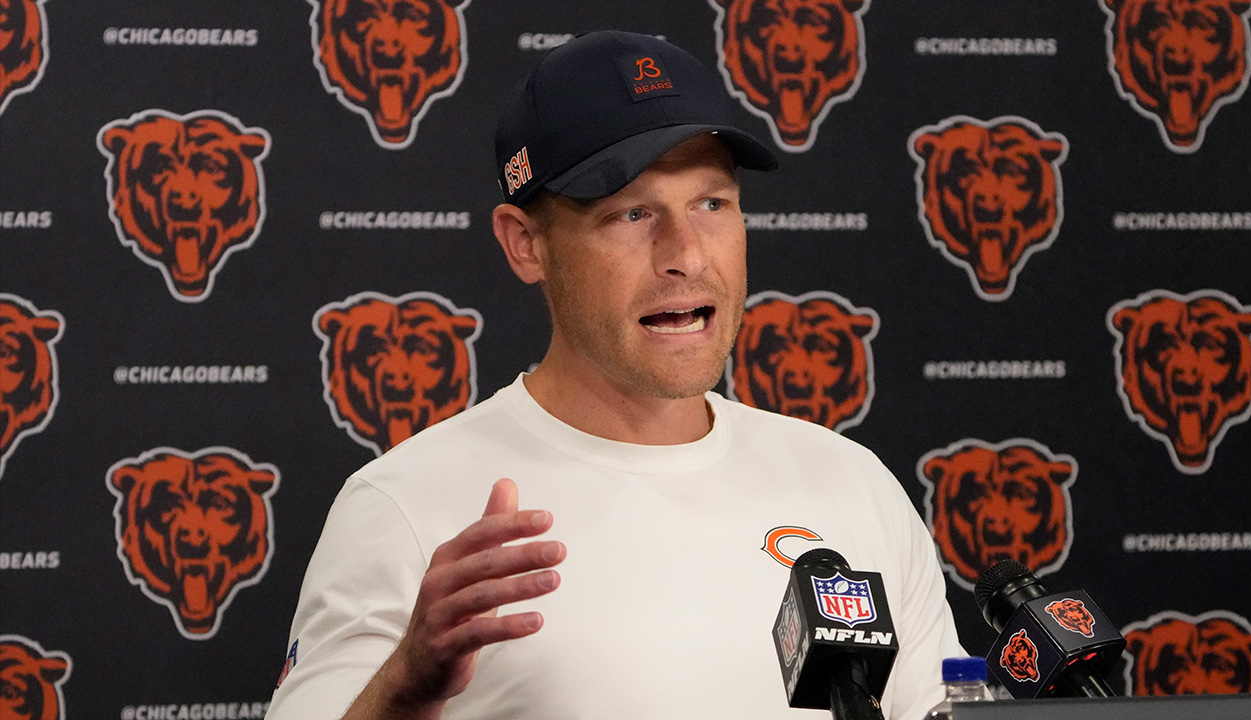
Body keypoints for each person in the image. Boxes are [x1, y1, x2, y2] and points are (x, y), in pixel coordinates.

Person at [268, 30, 966, 720]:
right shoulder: (406, 507)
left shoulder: (852, 483)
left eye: (711, 204)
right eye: (631, 214)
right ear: (524, 243)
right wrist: (406, 688)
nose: (687, 256)